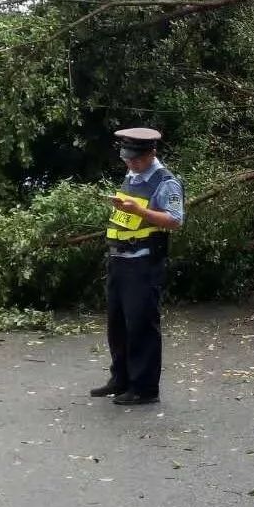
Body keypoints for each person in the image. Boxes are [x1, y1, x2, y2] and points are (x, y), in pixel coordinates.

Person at [90, 127, 184, 406]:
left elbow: (175, 220)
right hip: (119, 259)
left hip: (143, 262)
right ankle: (120, 378)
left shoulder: (166, 182)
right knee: (117, 325)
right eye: (127, 158)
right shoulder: (132, 175)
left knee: (141, 325)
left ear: (151, 153)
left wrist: (140, 211)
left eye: (136, 159)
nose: (130, 163)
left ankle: (144, 388)